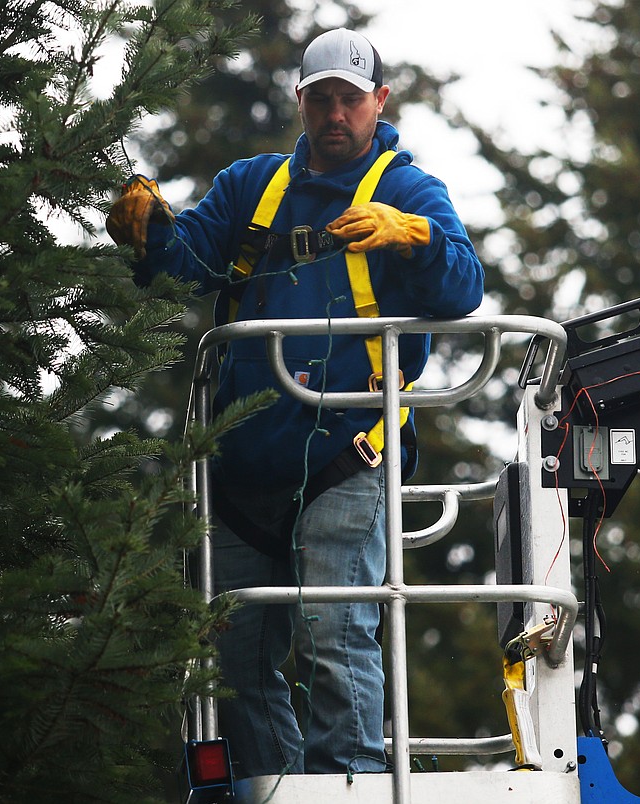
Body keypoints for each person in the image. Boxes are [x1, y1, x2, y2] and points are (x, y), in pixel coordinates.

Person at [106, 28, 484, 779]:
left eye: (351, 99)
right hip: (245, 464)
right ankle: (276, 788)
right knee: (230, 657)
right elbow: (188, 269)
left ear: (379, 102)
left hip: (349, 453)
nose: (335, 115)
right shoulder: (255, 186)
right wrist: (150, 235)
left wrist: (414, 239)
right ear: (301, 103)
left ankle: (349, 786)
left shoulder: (408, 191)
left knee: (334, 632)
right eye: (321, 100)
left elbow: (462, 290)